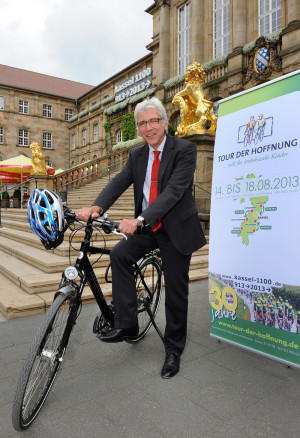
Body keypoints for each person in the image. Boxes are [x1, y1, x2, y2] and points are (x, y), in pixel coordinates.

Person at [75, 97, 206, 378]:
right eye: (142, 123)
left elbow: (174, 191)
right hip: (148, 229)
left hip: (175, 230)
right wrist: (96, 207)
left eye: (153, 121)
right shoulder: (137, 155)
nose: (148, 128)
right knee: (120, 255)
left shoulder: (185, 149)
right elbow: (119, 181)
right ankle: (128, 322)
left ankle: (173, 349)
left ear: (164, 122)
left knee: (176, 291)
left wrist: (140, 219)